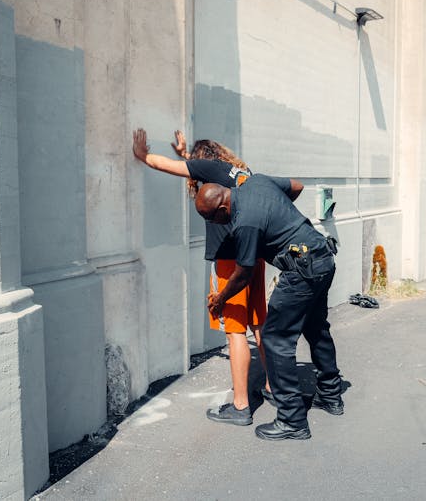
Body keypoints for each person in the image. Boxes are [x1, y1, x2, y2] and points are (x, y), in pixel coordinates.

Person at [132, 128, 302, 425]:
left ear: (202, 161)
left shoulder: (210, 169)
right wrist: (185, 154)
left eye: (192, 162)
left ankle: (240, 406)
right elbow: (200, 171)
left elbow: (165, 167)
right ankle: (273, 387)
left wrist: (143, 156)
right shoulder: (238, 172)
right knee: (259, 324)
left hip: (229, 264)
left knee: (235, 332)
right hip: (254, 259)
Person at [195, 176, 343, 441]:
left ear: (221, 209)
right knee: (316, 328)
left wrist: (220, 298)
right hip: (322, 258)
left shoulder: (245, 223)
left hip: (301, 270)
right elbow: (296, 185)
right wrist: (280, 220)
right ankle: (331, 396)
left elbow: (243, 273)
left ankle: (292, 420)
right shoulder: (257, 183)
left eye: (212, 219)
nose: (214, 225)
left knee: (275, 340)